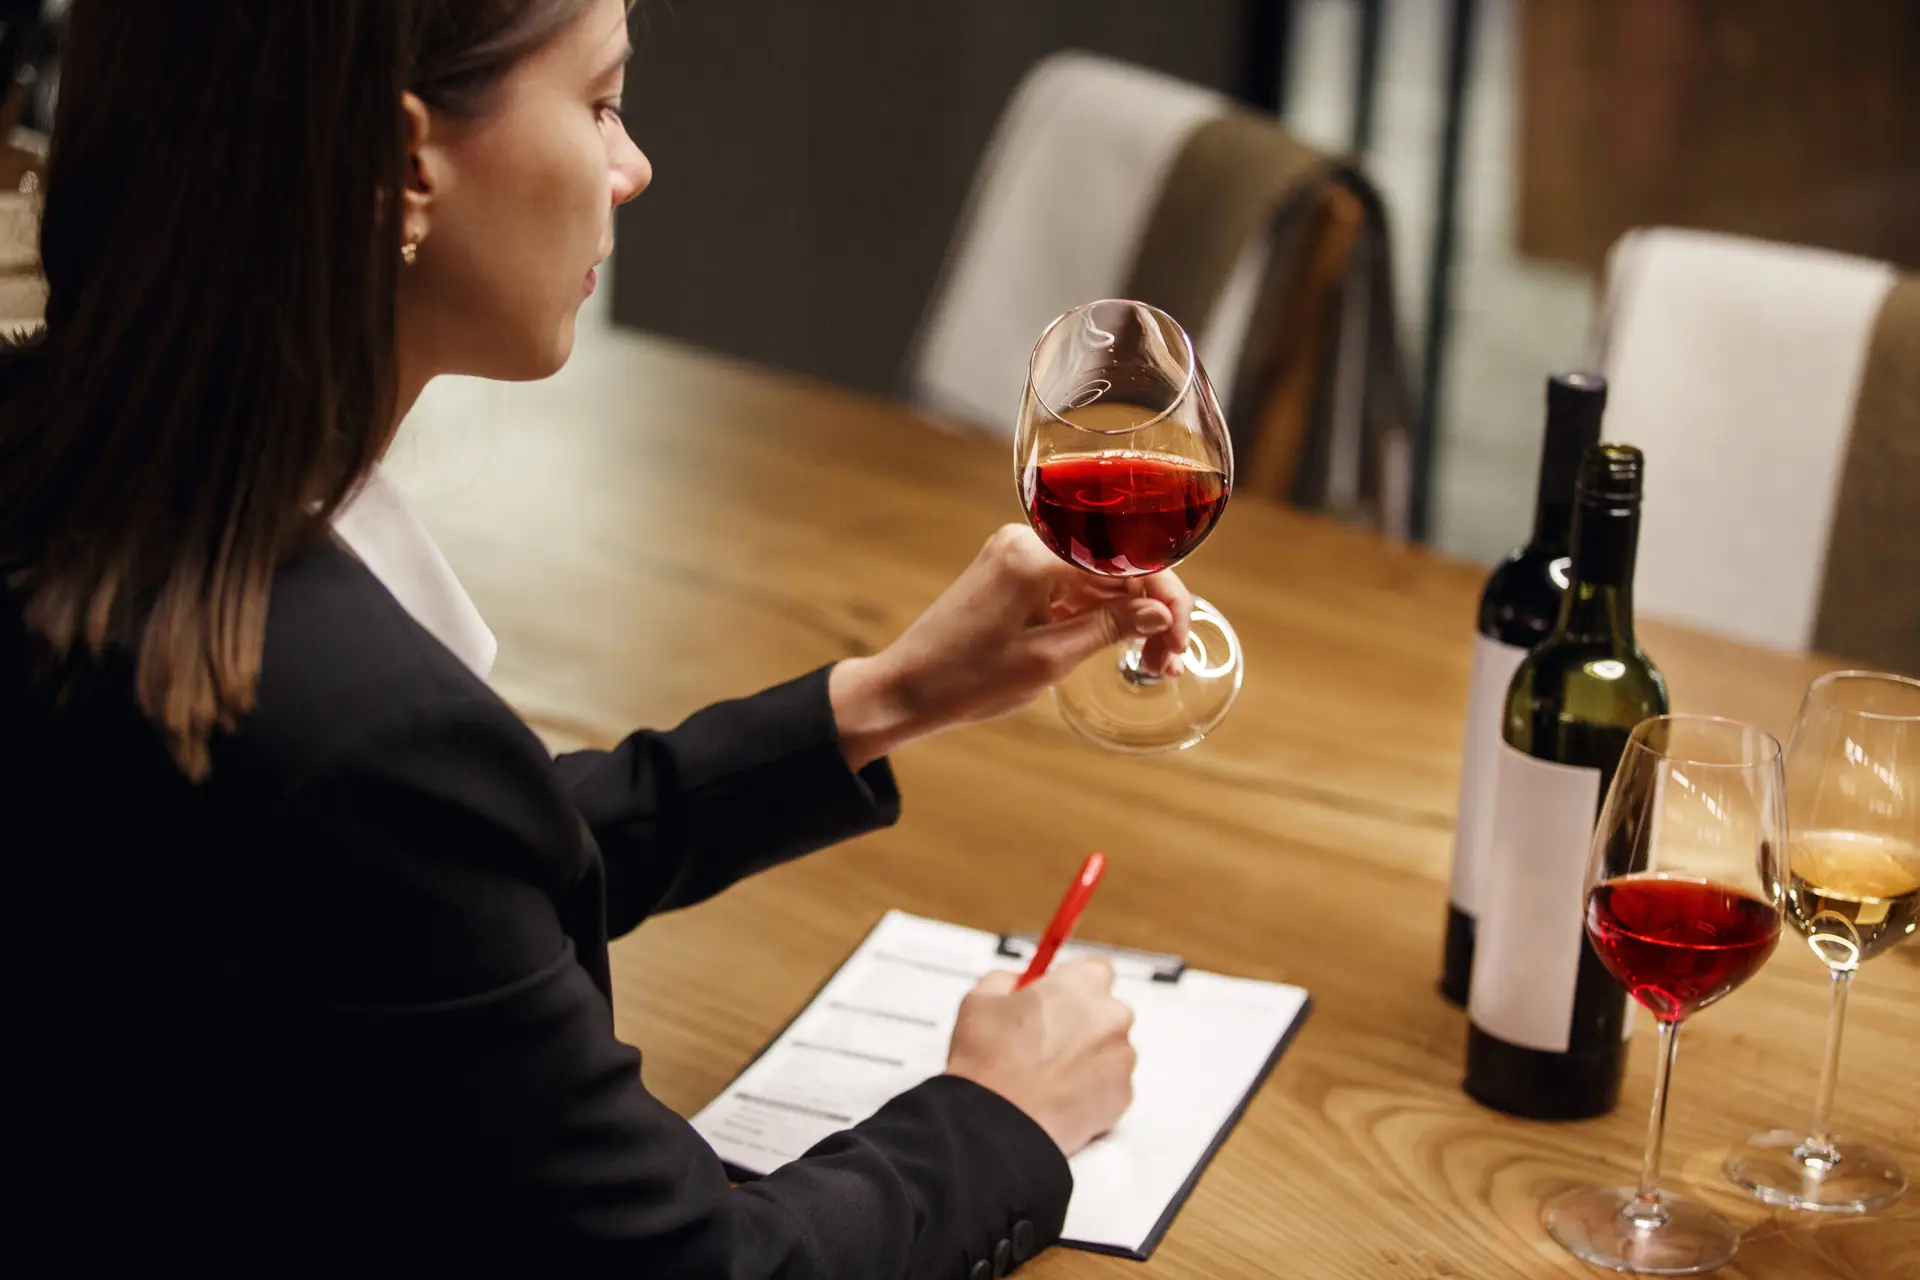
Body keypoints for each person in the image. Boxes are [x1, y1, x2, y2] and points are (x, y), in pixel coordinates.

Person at [0, 2, 1198, 1275]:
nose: (633, 167)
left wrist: (879, 698)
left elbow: (413, 890)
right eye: (601, 103)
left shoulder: (67, 458)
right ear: (406, 162)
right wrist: (1000, 1114)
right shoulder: (349, 726)